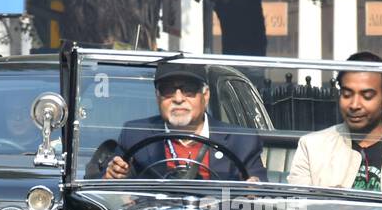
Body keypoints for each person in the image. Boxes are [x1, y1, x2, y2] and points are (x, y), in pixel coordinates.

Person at [102, 61, 267, 181]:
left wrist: (252, 191)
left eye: (189, 90)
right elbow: (106, 186)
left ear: (206, 95)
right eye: (168, 91)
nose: (178, 98)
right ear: (157, 97)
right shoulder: (135, 135)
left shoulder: (241, 141)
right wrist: (113, 175)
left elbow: (260, 195)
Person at [286, 52, 382, 194]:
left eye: (367, 96)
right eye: (347, 95)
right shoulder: (312, 147)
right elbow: (298, 209)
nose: (354, 105)